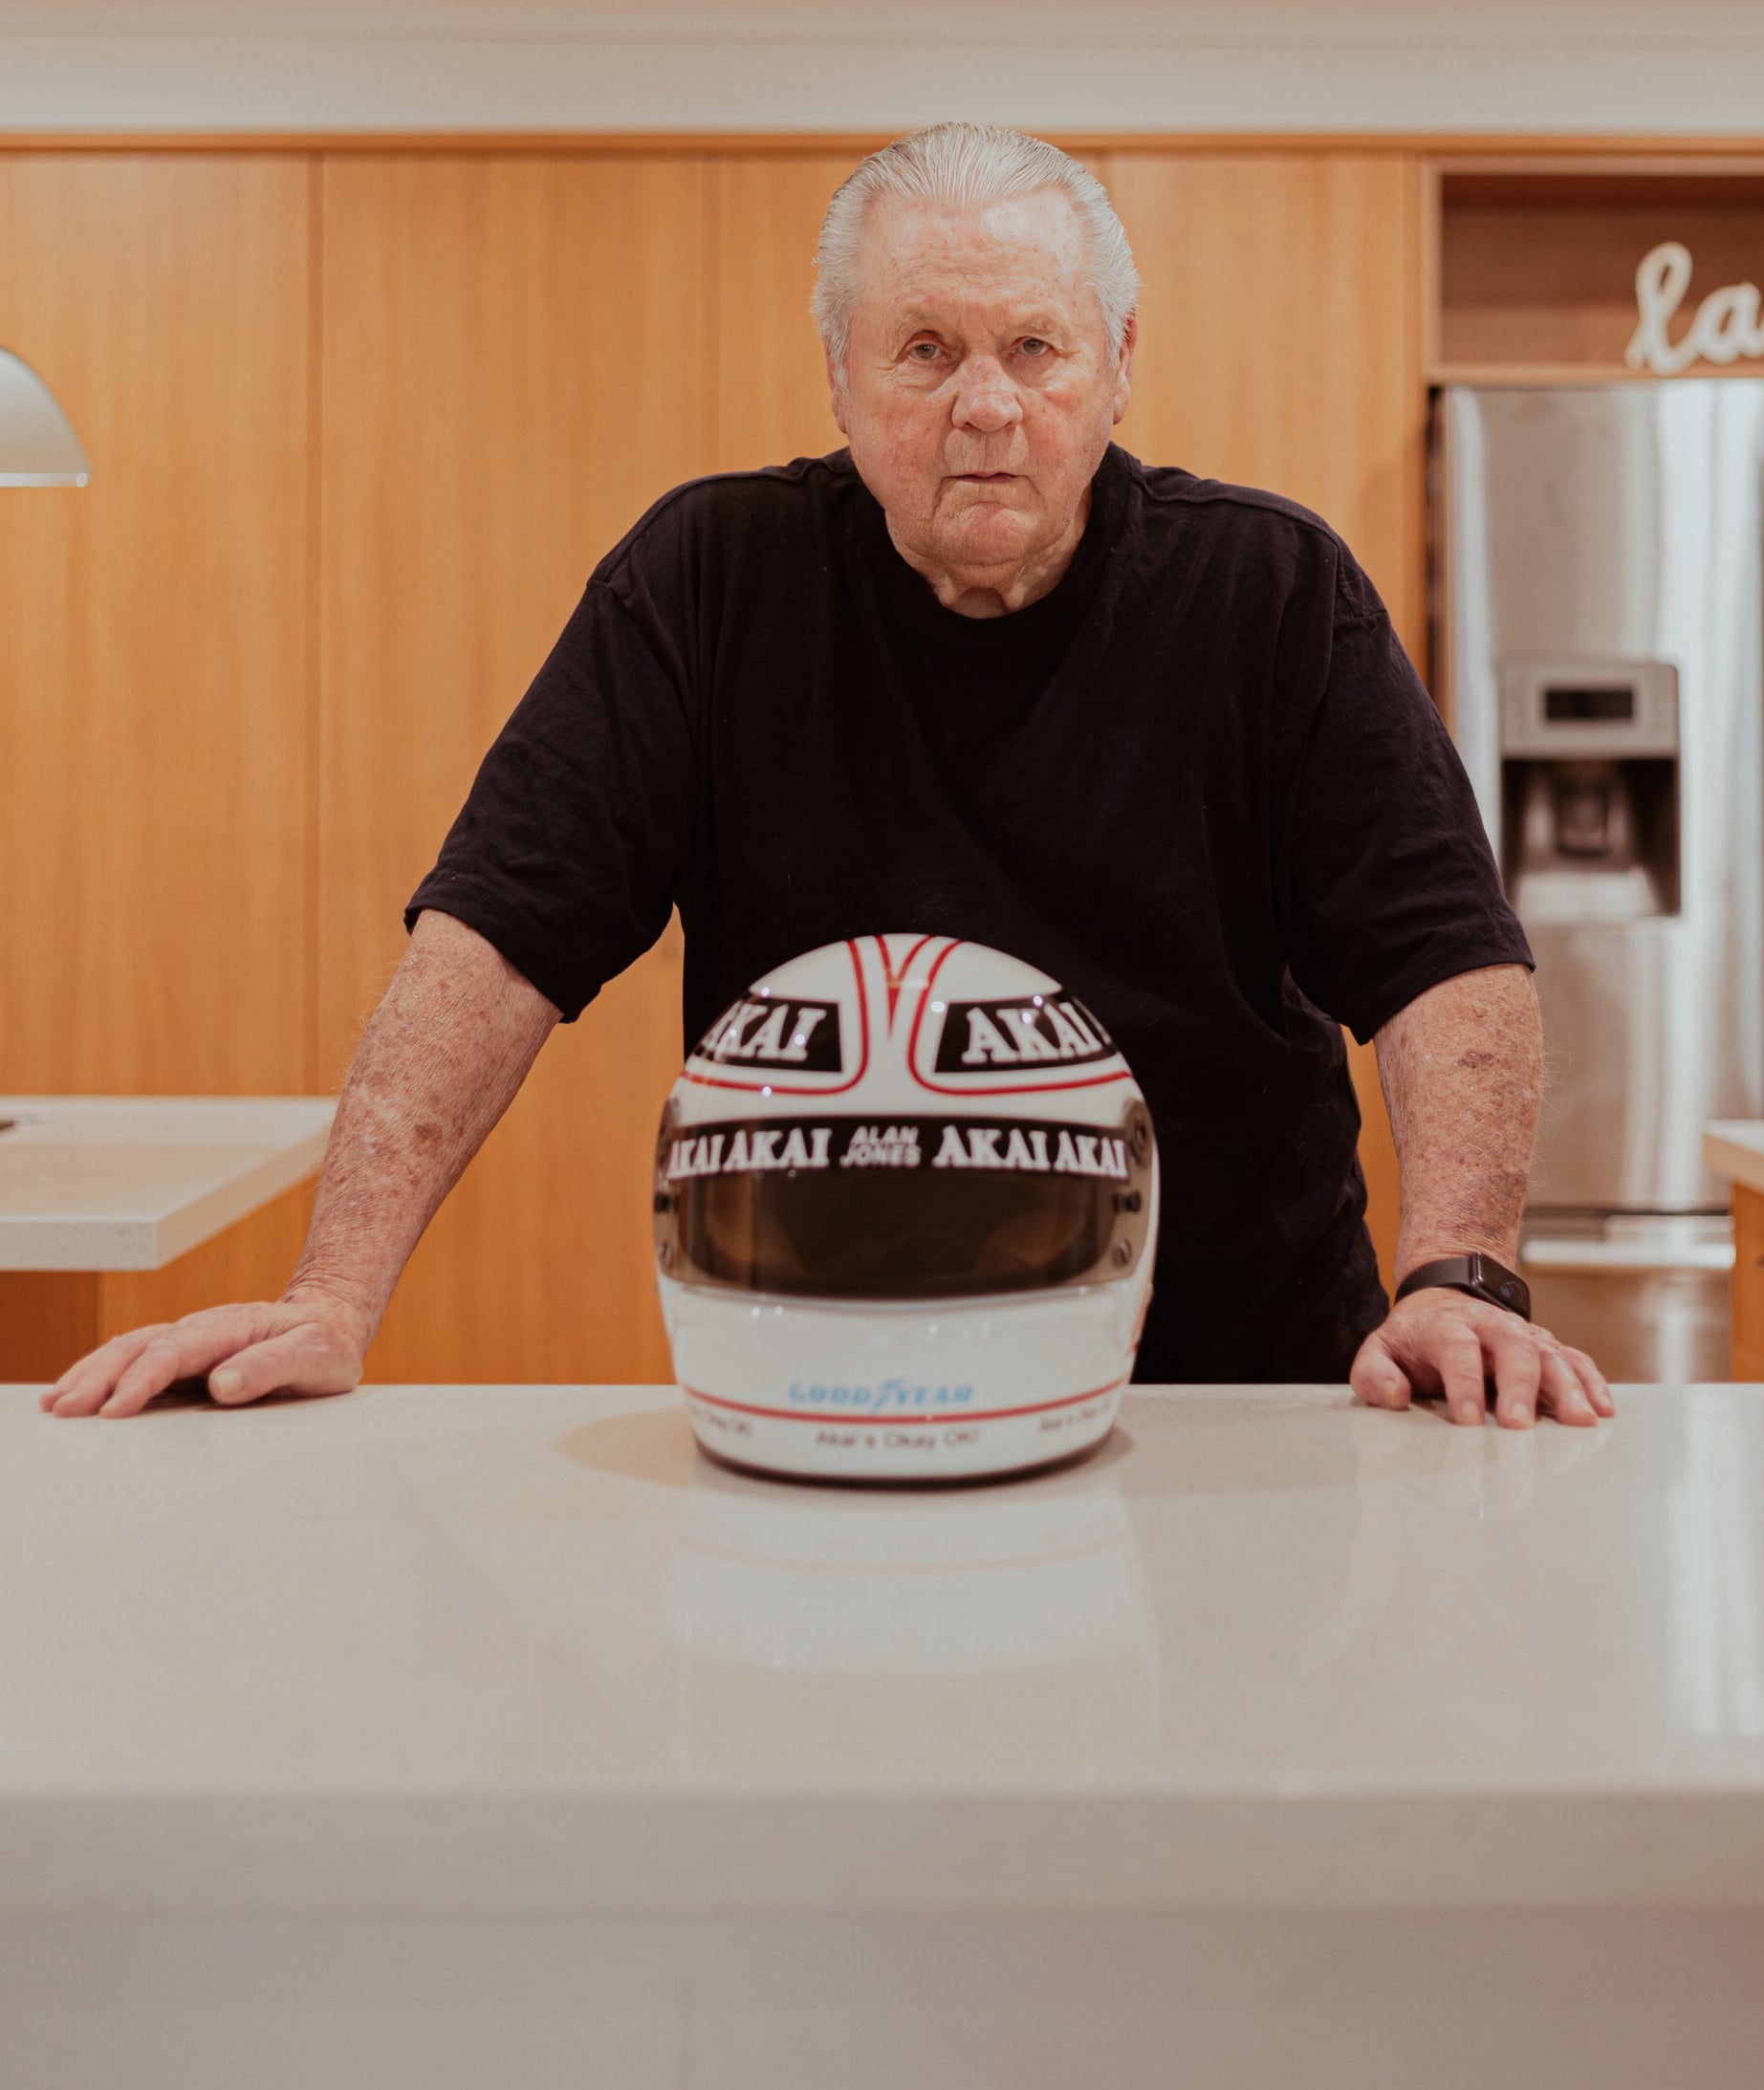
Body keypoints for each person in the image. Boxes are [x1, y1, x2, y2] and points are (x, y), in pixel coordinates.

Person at [44, 124, 1611, 1430]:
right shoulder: (706, 582)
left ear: (1120, 363)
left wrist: (1460, 1275)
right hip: (814, 1381)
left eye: (1035, 347)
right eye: (924, 350)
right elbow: (496, 942)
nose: (985, 405)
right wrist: (333, 1293)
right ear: (840, 378)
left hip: (1232, 1394)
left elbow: (1441, 957)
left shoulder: (1271, 592)